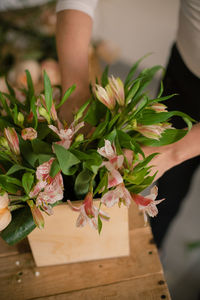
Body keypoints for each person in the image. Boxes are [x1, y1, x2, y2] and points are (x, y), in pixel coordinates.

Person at [56, 0, 200, 248]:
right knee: (168, 189)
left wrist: (171, 152)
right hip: (186, 70)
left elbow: (168, 153)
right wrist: (76, 92)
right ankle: (154, 248)